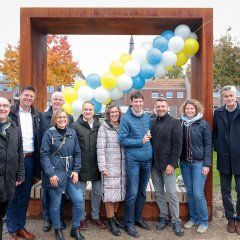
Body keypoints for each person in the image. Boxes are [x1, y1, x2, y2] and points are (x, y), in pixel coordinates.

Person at [40, 108, 84, 240]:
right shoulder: (49, 133)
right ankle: (58, 230)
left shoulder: (72, 132)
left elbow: (77, 153)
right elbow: (44, 155)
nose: (62, 119)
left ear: (68, 119)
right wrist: (51, 174)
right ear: (55, 119)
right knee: (55, 203)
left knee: (79, 200)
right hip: (56, 173)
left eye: (64, 117)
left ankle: (75, 228)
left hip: (70, 172)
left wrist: (76, 170)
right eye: (59, 117)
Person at [6, 86, 40, 240]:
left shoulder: (36, 115)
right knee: (12, 195)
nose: (28, 98)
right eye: (26, 95)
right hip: (14, 160)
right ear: (20, 96)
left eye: (31, 96)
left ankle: (21, 227)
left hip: (30, 160)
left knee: (25, 196)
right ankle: (12, 228)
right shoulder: (11, 114)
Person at [119, 91, 152, 238]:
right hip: (133, 161)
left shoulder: (148, 117)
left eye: (140, 101)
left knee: (142, 192)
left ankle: (138, 218)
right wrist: (141, 141)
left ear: (143, 102)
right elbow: (123, 140)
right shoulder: (125, 119)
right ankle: (129, 224)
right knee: (132, 193)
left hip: (147, 161)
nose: (138, 104)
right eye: (135, 101)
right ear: (131, 103)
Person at [40, 91, 74, 232]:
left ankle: (58, 218)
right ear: (51, 100)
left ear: (63, 101)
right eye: (55, 99)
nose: (58, 101)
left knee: (61, 191)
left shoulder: (70, 117)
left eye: (60, 99)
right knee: (47, 191)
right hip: (47, 160)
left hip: (63, 164)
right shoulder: (42, 116)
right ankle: (48, 218)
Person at [70, 101, 107, 230]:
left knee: (97, 192)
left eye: (90, 109)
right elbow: (71, 147)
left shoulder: (99, 125)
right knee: (80, 194)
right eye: (85, 109)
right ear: (82, 110)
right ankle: (81, 218)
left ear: (93, 110)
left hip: (97, 164)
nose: (88, 112)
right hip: (81, 165)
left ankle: (95, 216)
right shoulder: (74, 126)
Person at [150, 97, 184, 237]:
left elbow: (178, 145)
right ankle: (163, 216)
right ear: (155, 108)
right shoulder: (152, 122)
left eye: (163, 106)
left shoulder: (175, 123)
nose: (160, 109)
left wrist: (172, 163)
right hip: (154, 164)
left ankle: (176, 221)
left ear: (167, 107)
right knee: (159, 193)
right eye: (158, 106)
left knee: (171, 193)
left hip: (167, 164)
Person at [179, 99, 212, 234]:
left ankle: (204, 221)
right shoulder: (181, 124)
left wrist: (207, 164)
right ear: (184, 110)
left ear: (197, 110)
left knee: (198, 193)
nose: (189, 111)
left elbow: (208, 145)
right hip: (185, 163)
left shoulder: (203, 124)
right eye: (187, 109)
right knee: (190, 193)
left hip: (199, 164)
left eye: (192, 109)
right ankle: (194, 218)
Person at [213, 85, 240, 235]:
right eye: (226, 96)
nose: (229, 98)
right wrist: (218, 147)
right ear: (222, 98)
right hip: (224, 158)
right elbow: (214, 133)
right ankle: (230, 218)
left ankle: (239, 219)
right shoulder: (218, 113)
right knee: (225, 191)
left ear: (235, 96)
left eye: (231, 95)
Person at [97, 104, 125, 236]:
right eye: (111, 112)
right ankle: (111, 221)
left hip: (122, 165)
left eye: (116, 112)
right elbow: (100, 149)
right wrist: (103, 167)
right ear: (108, 115)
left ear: (119, 113)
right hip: (109, 166)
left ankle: (114, 217)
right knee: (109, 195)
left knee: (119, 192)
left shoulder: (122, 126)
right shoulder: (104, 128)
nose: (114, 114)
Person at [0, 97, 24, 240]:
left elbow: (19, 152)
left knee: (2, 212)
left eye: (5, 106)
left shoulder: (14, 128)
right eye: (0, 105)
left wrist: (20, 174)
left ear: (9, 109)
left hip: (8, 178)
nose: (2, 108)